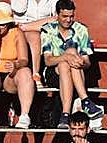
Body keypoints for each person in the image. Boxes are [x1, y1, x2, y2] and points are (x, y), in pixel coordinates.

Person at [42, 0, 102, 129]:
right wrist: (66, 57)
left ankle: (65, 114)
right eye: (64, 16)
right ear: (57, 14)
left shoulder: (81, 29)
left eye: (71, 16)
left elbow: (87, 62)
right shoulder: (48, 30)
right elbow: (48, 60)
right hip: (53, 72)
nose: (68, 20)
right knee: (69, 55)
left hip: (77, 71)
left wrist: (80, 61)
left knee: (67, 61)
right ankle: (86, 101)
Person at [0, 3, 36, 129]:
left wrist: (16, 65)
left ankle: (24, 116)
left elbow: (24, 59)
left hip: (10, 76)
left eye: (2, 24)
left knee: (25, 71)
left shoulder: (17, 33)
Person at [12, 0, 57, 83]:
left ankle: (38, 74)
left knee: (37, 33)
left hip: (37, 28)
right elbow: (19, 9)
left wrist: (28, 26)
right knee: (35, 36)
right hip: (19, 29)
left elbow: (56, 18)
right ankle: (36, 73)